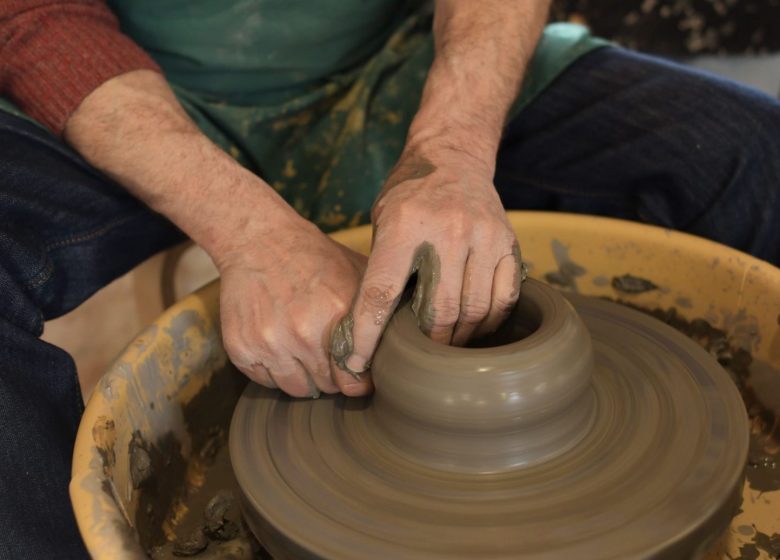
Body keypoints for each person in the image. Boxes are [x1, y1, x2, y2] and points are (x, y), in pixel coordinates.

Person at [1, 0, 778, 557]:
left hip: (413, 62)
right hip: (134, 89)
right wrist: (248, 228)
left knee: (752, 158)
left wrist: (452, 149)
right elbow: (32, 15)